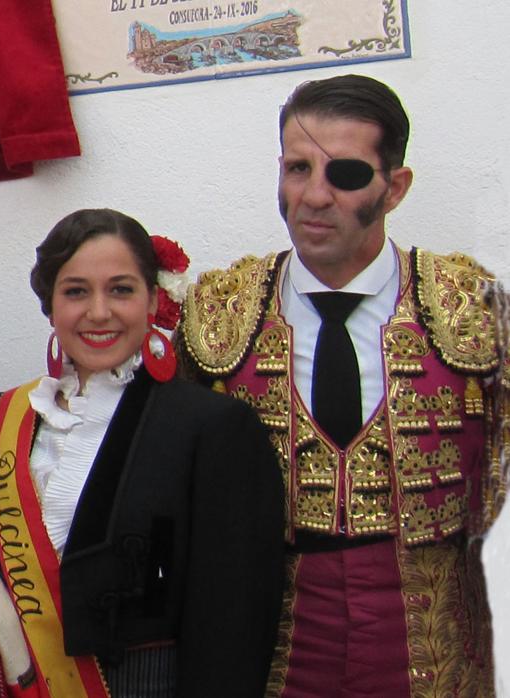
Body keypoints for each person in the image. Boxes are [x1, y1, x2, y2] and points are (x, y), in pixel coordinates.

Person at [176, 74, 503, 696]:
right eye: (297, 169)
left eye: (345, 174)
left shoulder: (472, 307)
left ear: (395, 187)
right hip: (272, 634)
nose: (314, 196)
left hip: (440, 640)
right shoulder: (217, 311)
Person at [0, 209, 283, 697]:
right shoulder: (9, 413)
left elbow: (232, 622)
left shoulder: (211, 426)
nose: (99, 312)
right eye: (76, 291)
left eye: (120, 290)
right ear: (51, 306)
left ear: (151, 302)